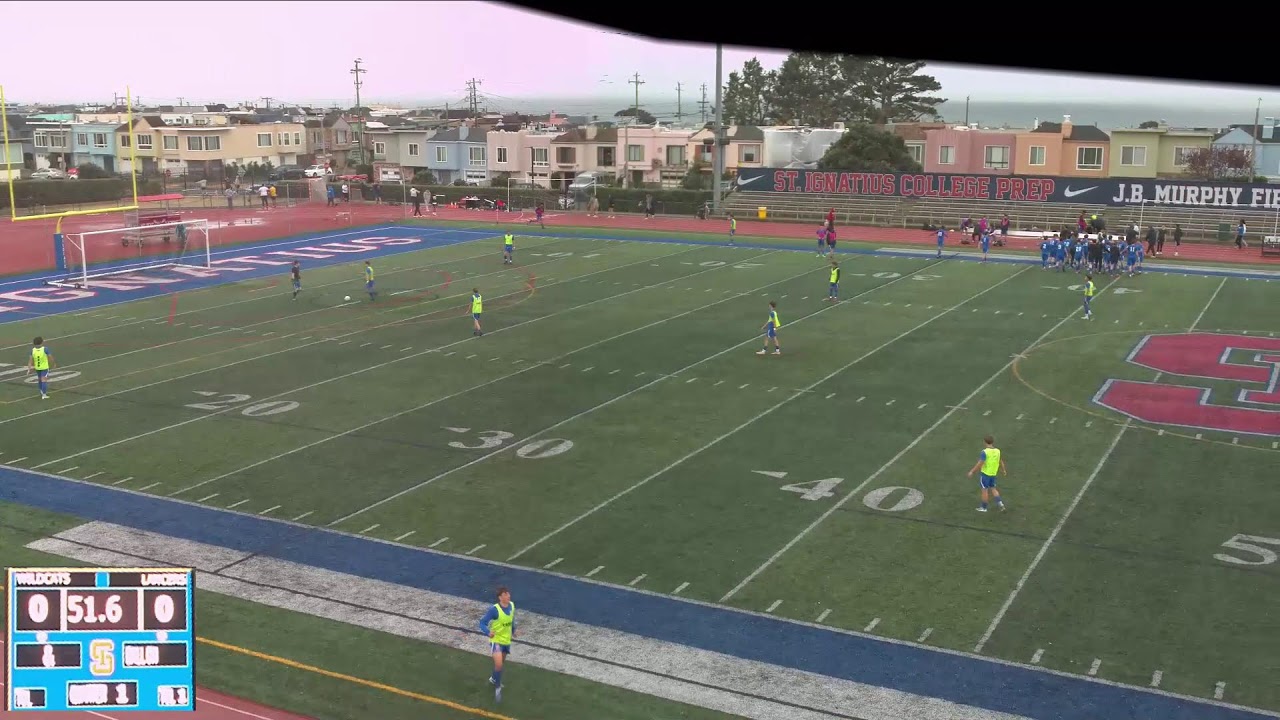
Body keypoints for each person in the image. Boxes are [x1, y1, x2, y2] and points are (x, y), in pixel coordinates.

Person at [478, 586, 516, 703]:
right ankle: (498, 687)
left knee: (500, 664)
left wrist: (514, 630)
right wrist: (488, 632)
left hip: (506, 641)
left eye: (508, 593)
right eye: (505, 594)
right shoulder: (494, 610)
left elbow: (512, 619)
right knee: (499, 664)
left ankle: (494, 679)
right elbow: (482, 622)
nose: (508, 595)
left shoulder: (512, 606)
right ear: (500, 597)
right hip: (497, 641)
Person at [967, 436, 1007, 512]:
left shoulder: (984, 452)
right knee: (993, 488)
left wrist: (972, 471)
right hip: (993, 474)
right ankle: (1000, 504)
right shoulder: (997, 451)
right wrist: (1003, 470)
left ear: (985, 442)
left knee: (984, 490)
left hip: (985, 474)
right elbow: (1000, 461)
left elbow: (980, 463)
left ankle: (984, 507)